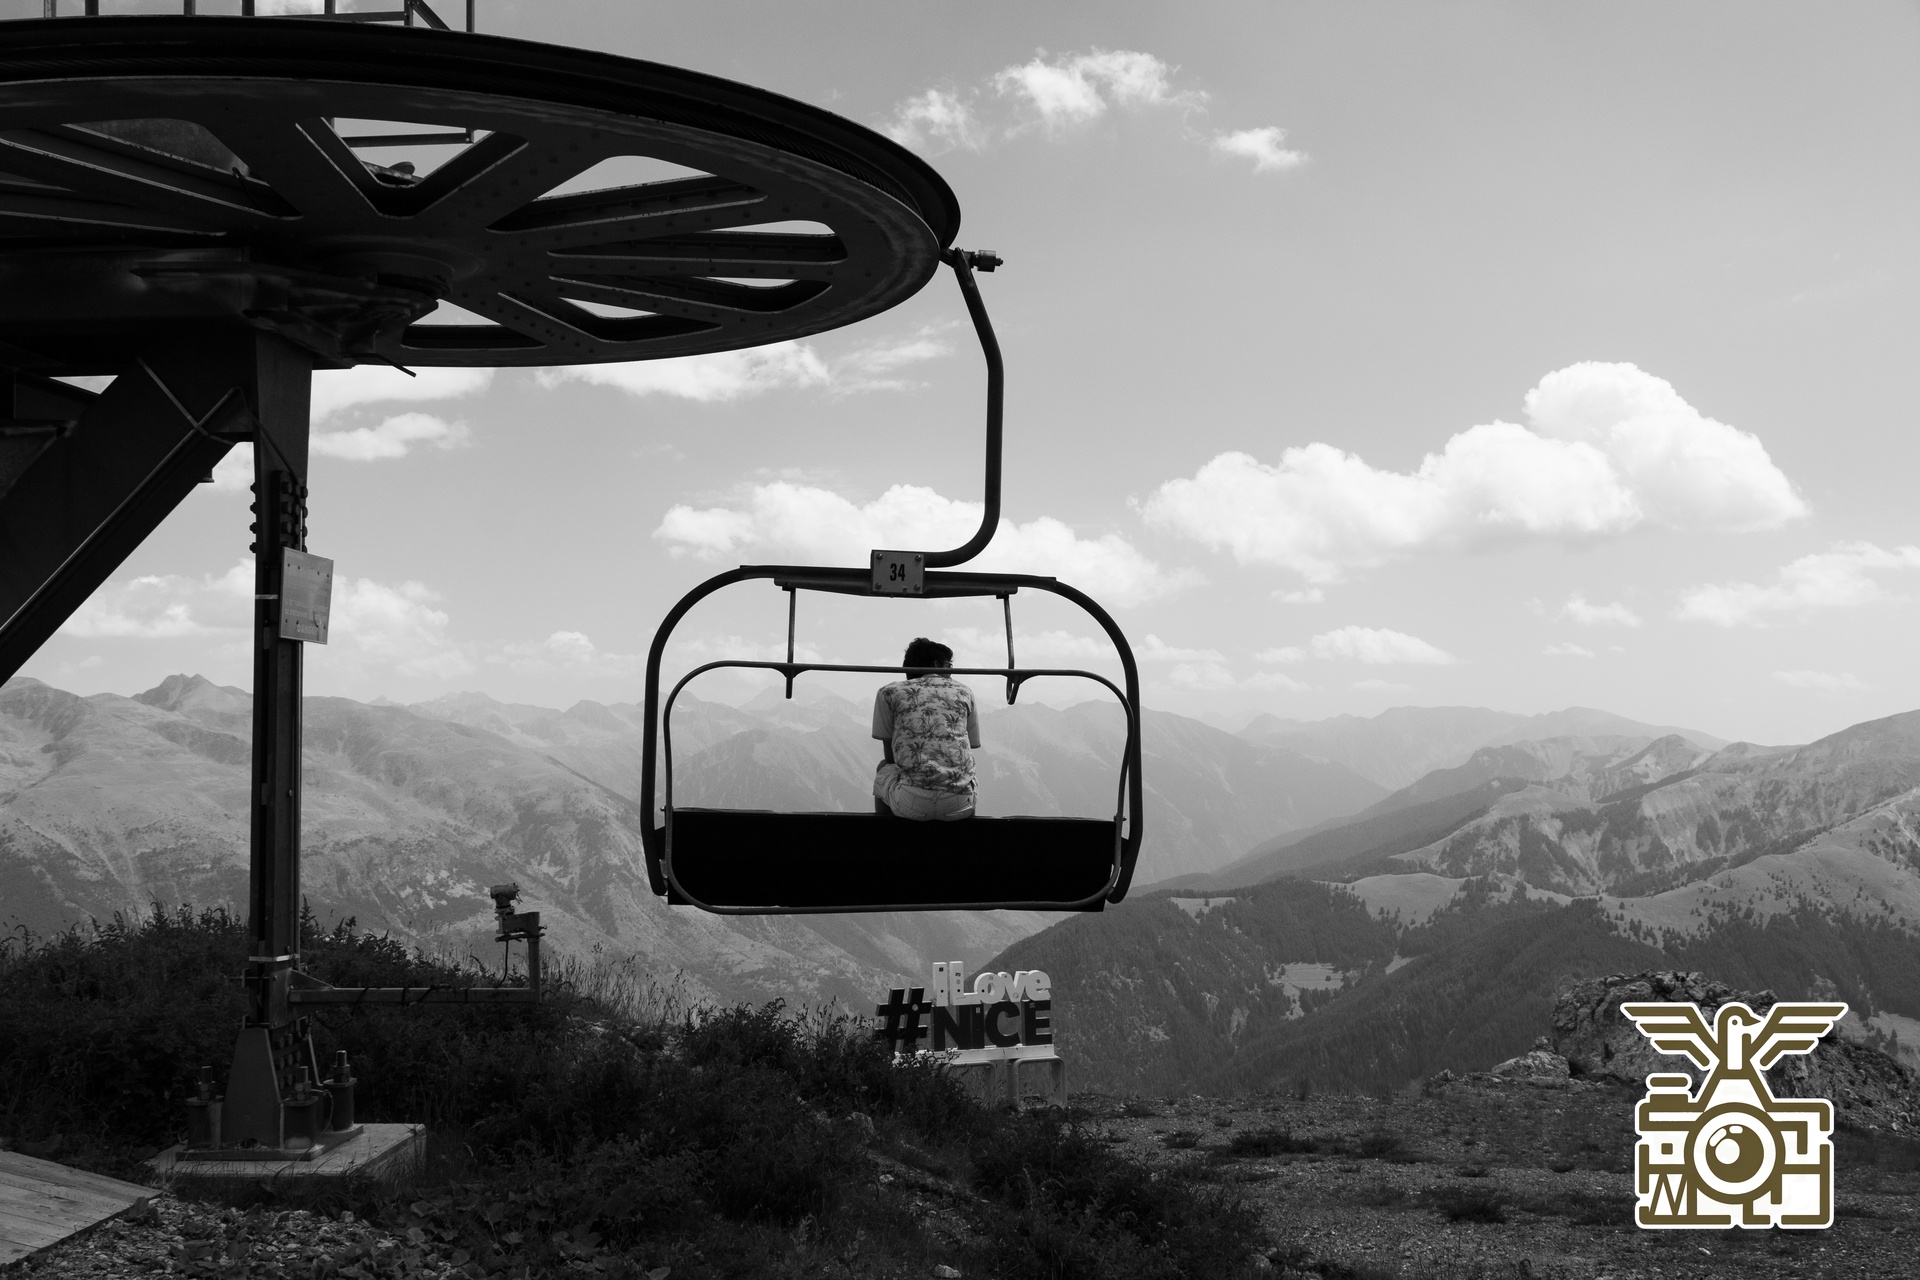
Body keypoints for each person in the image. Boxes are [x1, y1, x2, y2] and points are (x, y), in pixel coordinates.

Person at [871, 637, 980, 821]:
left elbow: (890, 758)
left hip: (911, 803)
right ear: (936, 664)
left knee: (883, 768)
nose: (952, 672)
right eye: (949, 665)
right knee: (968, 775)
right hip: (959, 804)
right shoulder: (965, 692)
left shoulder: (888, 693)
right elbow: (972, 746)